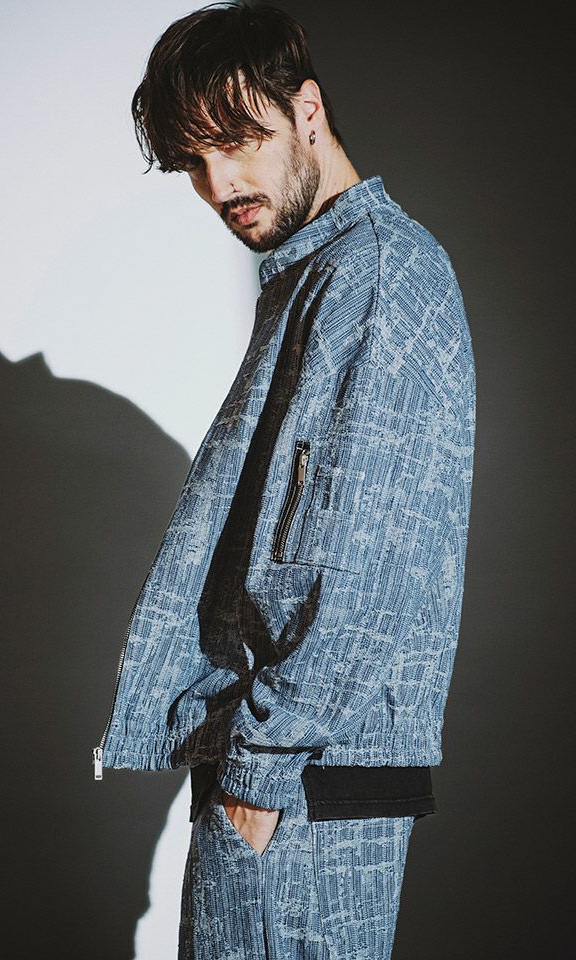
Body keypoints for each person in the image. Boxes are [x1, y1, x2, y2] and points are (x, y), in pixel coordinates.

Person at [93, 2, 476, 957]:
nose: (219, 184)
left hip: (299, 789)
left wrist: (256, 778)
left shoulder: (371, 275)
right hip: (298, 778)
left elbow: (361, 558)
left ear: (307, 112)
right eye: (193, 160)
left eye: (238, 141)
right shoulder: (327, 271)